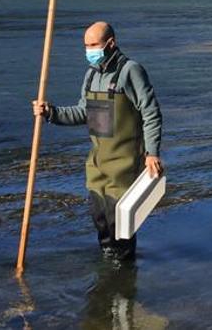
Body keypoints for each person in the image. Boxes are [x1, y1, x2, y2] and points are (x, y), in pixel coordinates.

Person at [33, 21, 163, 260]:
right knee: (100, 220)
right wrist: (51, 113)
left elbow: (151, 112)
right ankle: (107, 266)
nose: (89, 51)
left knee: (120, 225)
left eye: (93, 45)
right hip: (97, 164)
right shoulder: (91, 74)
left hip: (124, 164)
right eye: (86, 46)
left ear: (110, 43)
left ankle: (124, 271)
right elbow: (83, 112)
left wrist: (152, 152)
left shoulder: (131, 70)